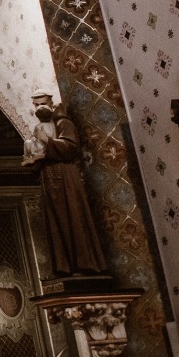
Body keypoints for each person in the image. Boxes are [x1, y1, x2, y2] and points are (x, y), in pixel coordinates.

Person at [23, 89, 108, 276]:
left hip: (65, 174)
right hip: (48, 175)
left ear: (52, 104)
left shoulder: (63, 122)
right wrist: (33, 159)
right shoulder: (38, 127)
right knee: (54, 220)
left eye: (43, 103)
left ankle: (84, 264)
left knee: (73, 215)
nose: (40, 107)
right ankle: (63, 266)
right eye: (36, 105)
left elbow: (70, 148)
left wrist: (48, 141)